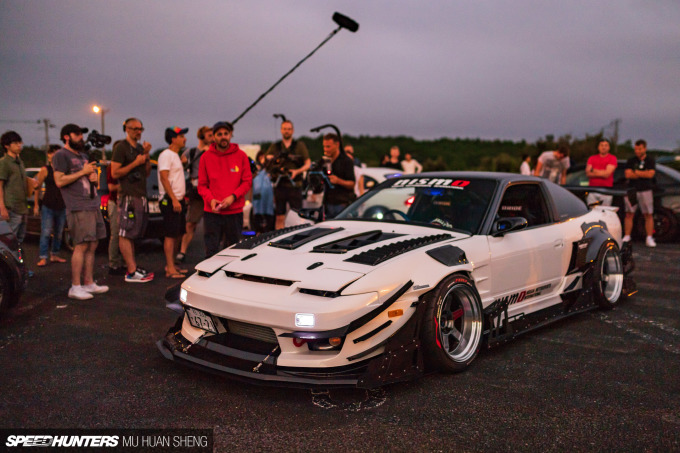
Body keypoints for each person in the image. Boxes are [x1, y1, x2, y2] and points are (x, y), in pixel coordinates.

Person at [52, 124, 108, 300]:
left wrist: (94, 177)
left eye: (82, 134)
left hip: (92, 204)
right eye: (77, 134)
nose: (81, 137)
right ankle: (75, 286)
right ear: (66, 136)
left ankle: (88, 282)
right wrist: (83, 172)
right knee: (81, 245)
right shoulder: (61, 155)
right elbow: (59, 181)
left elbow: (93, 181)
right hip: (78, 206)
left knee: (93, 245)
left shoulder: (83, 156)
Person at [198, 121, 252, 257]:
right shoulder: (205, 157)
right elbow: (202, 185)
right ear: (214, 137)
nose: (223, 137)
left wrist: (233, 197)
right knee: (211, 251)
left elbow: (247, 182)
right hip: (212, 212)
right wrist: (211, 200)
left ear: (230, 135)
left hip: (234, 212)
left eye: (226, 134)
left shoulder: (241, 156)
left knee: (233, 251)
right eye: (219, 134)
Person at [111, 118, 154, 283]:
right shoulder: (121, 147)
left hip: (140, 195)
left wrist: (146, 155)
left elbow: (147, 173)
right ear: (126, 129)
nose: (138, 131)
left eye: (140, 129)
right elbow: (115, 173)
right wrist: (135, 163)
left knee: (132, 233)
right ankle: (131, 271)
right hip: (128, 195)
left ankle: (133, 267)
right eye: (135, 128)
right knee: (125, 233)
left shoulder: (139, 148)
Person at [265, 120, 311, 230]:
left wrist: (297, 171)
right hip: (280, 184)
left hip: (295, 184)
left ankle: (297, 235)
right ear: (281, 130)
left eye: (289, 129)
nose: (287, 131)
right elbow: (266, 159)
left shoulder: (299, 146)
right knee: (279, 216)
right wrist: (274, 161)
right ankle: (279, 236)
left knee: (297, 215)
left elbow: (308, 163)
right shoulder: (275, 146)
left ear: (292, 131)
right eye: (285, 129)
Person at [177, 126, 213, 263]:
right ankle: (182, 251)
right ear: (201, 136)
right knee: (191, 223)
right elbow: (180, 166)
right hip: (196, 192)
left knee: (212, 225)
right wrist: (183, 162)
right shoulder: (191, 152)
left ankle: (212, 252)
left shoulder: (214, 151)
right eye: (209, 135)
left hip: (211, 191)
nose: (212, 138)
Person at [159, 127, 188, 278]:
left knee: (179, 233)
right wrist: (174, 199)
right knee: (170, 235)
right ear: (173, 139)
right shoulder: (166, 155)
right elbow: (164, 177)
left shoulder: (175, 156)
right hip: (171, 201)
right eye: (181, 136)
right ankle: (170, 269)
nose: (184, 139)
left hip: (179, 200)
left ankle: (173, 265)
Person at [33, 144, 67, 267]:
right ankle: (43, 257)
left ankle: (55, 254)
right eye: (52, 153)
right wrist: (36, 204)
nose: (54, 155)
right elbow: (37, 187)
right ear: (48, 155)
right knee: (46, 232)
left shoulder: (63, 169)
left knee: (59, 232)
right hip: (48, 205)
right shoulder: (45, 169)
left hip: (62, 205)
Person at [0, 131, 35, 245]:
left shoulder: (19, 162)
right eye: (15, 143)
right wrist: (2, 207)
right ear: (7, 145)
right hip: (11, 207)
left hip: (22, 207)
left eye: (20, 142)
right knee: (9, 241)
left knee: (19, 240)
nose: (19, 145)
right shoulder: (4, 162)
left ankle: (17, 257)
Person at [623, 139, 656, 247]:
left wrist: (636, 172)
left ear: (644, 148)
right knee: (629, 213)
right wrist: (643, 173)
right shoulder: (631, 160)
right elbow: (628, 174)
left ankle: (649, 237)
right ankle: (627, 236)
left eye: (640, 149)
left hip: (645, 190)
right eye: (636, 149)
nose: (637, 151)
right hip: (632, 190)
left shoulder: (650, 160)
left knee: (648, 214)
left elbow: (650, 174)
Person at [321, 133, 355, 218]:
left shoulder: (346, 161)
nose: (326, 149)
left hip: (342, 204)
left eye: (328, 146)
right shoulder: (325, 161)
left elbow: (352, 183)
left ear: (337, 145)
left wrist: (338, 181)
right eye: (324, 146)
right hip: (328, 203)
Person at [106, 141, 125, 275]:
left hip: (125, 203)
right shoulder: (111, 168)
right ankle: (113, 264)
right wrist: (126, 186)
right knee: (115, 235)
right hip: (114, 203)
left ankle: (124, 262)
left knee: (126, 235)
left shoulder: (126, 167)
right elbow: (111, 187)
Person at [585, 139, 618, 206]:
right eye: (602, 145)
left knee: (604, 211)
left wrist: (594, 170)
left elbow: (607, 174)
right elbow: (588, 173)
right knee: (592, 210)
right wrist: (603, 172)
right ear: (598, 147)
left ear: (609, 147)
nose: (603, 147)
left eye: (606, 145)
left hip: (606, 191)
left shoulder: (612, 158)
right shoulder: (592, 158)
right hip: (592, 190)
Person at [251, 150, 275, 233]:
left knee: (268, 215)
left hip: (268, 196)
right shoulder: (256, 168)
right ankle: (258, 231)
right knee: (257, 214)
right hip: (257, 195)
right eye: (260, 157)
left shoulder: (269, 169)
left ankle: (267, 231)